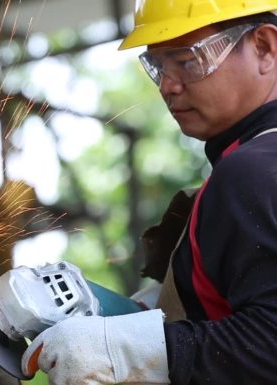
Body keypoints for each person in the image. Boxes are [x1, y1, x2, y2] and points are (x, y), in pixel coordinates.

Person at [21, 1, 277, 384]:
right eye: (158, 66)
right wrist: (125, 312)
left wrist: (126, 350)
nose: (167, 86)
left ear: (264, 47)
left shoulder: (252, 172)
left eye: (188, 61)